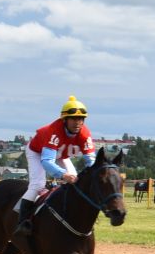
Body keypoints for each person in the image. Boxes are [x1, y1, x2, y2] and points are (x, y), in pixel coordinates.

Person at [15, 96, 95, 237]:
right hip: (37, 152)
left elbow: (91, 162)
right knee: (37, 184)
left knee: (75, 181)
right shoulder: (54, 131)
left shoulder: (84, 134)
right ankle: (23, 222)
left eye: (81, 119)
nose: (78, 123)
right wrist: (62, 175)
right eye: (74, 119)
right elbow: (47, 161)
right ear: (64, 120)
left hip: (59, 155)